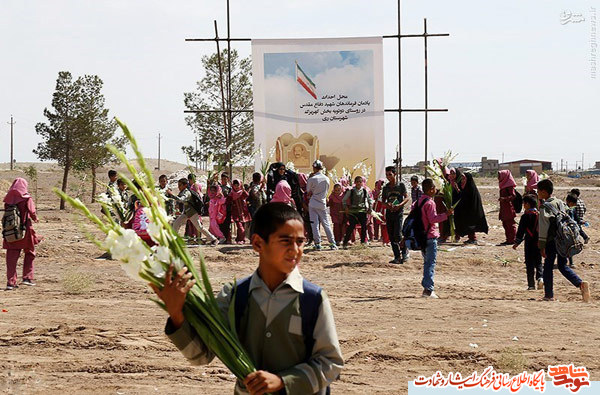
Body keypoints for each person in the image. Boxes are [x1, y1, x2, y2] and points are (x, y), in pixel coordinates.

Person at [153, 202, 343, 394]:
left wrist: (283, 382)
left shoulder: (313, 299)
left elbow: (331, 363)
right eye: (285, 241)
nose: (295, 250)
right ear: (258, 244)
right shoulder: (235, 296)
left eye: (300, 242)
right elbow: (202, 356)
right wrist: (176, 313)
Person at [537, 179, 590, 302]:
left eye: (538, 190)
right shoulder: (561, 203)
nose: (537, 192)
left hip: (551, 241)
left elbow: (544, 229)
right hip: (563, 240)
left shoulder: (544, 207)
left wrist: (541, 246)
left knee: (548, 267)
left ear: (544, 192)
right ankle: (580, 284)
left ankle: (549, 295)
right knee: (562, 265)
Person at [416, 178, 452, 298]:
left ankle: (426, 285)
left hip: (421, 236)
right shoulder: (430, 203)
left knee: (427, 262)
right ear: (431, 189)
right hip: (430, 236)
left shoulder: (418, 202)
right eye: (434, 188)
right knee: (430, 263)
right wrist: (446, 214)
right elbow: (433, 219)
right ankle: (428, 289)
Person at [3, 178, 40, 290]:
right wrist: (35, 218)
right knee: (30, 252)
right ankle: (27, 278)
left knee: (11, 257)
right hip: (25, 231)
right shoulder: (26, 198)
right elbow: (32, 211)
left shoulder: (8, 199)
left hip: (10, 232)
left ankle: (11, 282)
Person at [168, 178, 218, 246]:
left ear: (185, 185)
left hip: (192, 213)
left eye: (180, 185)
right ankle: (174, 240)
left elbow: (181, 200)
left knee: (199, 228)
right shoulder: (182, 192)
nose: (178, 187)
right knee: (176, 224)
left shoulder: (187, 193)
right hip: (186, 213)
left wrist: (172, 195)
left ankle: (213, 239)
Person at [447, 168, 488, 244]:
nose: (462, 181)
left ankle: (472, 238)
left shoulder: (470, 187)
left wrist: (457, 190)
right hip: (462, 208)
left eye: (464, 179)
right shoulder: (460, 185)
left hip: (470, 209)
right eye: (461, 179)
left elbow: (466, 197)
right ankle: (462, 237)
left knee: (470, 223)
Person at [512, 194, 543, 290]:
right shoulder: (539, 215)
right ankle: (540, 278)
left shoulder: (525, 216)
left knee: (529, 263)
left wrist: (517, 242)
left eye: (524, 203)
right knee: (538, 261)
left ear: (528, 204)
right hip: (538, 241)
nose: (523, 205)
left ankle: (531, 285)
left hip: (529, 241)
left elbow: (520, 231)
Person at [306, 160, 337, 250]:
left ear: (314, 168)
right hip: (322, 202)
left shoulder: (312, 179)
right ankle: (332, 243)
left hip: (313, 203)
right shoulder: (326, 178)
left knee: (314, 224)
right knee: (326, 223)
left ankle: (317, 243)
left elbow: (308, 191)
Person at [381, 166, 410, 264]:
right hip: (389, 213)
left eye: (390, 174)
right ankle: (397, 256)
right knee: (391, 235)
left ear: (395, 174)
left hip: (398, 213)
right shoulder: (386, 188)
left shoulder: (400, 185)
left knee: (398, 234)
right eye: (387, 175)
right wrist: (387, 205)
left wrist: (400, 205)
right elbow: (383, 201)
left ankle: (405, 252)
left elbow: (406, 197)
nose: (388, 176)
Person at [342, 176, 373, 247]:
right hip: (353, 212)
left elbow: (370, 200)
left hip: (362, 211)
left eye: (360, 182)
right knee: (351, 227)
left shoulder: (365, 191)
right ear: (355, 183)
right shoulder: (351, 191)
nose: (359, 183)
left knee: (364, 227)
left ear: (362, 183)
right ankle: (345, 242)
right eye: (357, 182)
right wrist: (345, 208)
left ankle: (363, 242)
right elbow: (344, 200)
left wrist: (370, 208)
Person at [566, 193, 590, 268]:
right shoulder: (565, 209)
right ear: (568, 202)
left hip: (573, 229)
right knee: (568, 246)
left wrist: (580, 222)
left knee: (571, 245)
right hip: (567, 230)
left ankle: (570, 262)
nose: (573, 206)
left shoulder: (573, 209)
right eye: (573, 204)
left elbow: (576, 218)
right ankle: (570, 262)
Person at [227, 179, 252, 244]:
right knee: (240, 227)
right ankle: (241, 239)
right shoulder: (232, 193)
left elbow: (247, 195)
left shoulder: (242, 192)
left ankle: (239, 239)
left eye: (237, 185)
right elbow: (228, 201)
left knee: (242, 226)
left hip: (243, 212)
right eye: (234, 185)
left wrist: (244, 190)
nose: (236, 187)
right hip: (236, 213)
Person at [498, 170, 517, 245]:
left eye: (499, 176)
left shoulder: (509, 186)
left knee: (510, 224)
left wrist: (504, 199)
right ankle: (508, 239)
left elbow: (513, 196)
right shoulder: (503, 185)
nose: (498, 178)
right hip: (504, 208)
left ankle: (512, 239)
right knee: (505, 224)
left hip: (508, 208)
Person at [219, 173, 233, 244]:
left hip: (228, 209)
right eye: (222, 179)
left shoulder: (230, 188)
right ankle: (222, 238)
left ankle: (228, 239)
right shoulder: (220, 187)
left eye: (225, 179)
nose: (223, 180)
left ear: (228, 179)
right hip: (221, 209)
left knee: (227, 224)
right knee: (221, 223)